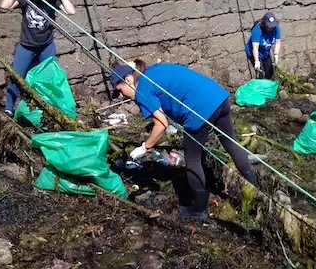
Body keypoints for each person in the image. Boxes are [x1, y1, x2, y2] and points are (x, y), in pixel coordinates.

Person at [110, 61, 259, 222]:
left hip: (199, 108)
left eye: (120, 90)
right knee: (231, 143)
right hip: (217, 96)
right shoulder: (153, 71)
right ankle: (255, 189)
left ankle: (199, 210)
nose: (122, 96)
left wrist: (145, 147)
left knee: (192, 158)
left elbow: (161, 124)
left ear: (128, 79)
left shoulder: (142, 90)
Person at [0, 0, 76, 115]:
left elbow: (71, 11)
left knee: (50, 78)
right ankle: (9, 108)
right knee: (16, 77)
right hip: (26, 46)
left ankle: (51, 108)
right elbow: (5, 6)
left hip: (46, 46)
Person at [245, 12, 281, 80]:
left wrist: (276, 54)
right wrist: (257, 62)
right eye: (269, 26)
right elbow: (255, 49)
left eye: (272, 26)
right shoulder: (257, 30)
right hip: (254, 53)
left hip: (265, 52)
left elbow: (278, 43)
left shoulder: (276, 28)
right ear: (264, 24)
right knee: (260, 74)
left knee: (269, 73)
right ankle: (260, 89)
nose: (271, 28)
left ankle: (267, 89)